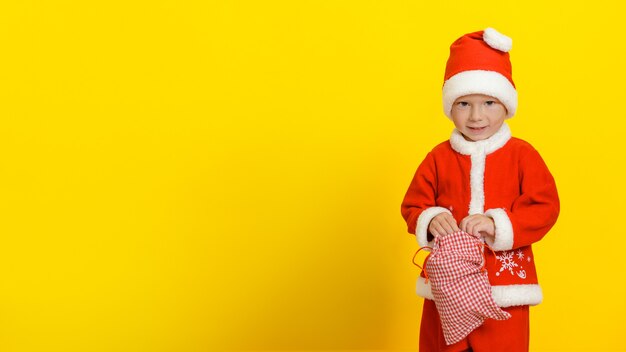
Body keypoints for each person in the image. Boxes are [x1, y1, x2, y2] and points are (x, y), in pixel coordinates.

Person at [400, 28, 560, 351]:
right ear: (449, 105)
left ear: (506, 103)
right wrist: (430, 220)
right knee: (439, 345)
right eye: (464, 104)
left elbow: (545, 206)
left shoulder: (522, 155)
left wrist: (498, 224)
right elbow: (412, 205)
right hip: (447, 288)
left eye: (488, 102)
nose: (476, 116)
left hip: (504, 289)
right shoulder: (439, 157)